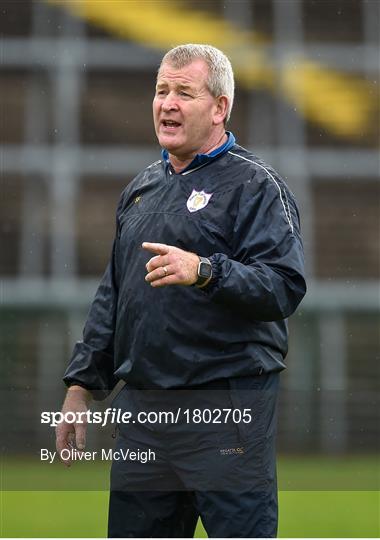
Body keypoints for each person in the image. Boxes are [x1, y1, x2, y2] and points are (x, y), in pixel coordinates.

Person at [56, 44, 306, 538]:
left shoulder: (255, 186)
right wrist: (82, 386)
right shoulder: (140, 189)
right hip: (144, 414)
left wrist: (207, 271)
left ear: (219, 108)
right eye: (161, 90)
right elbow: (114, 296)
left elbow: (283, 285)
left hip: (226, 411)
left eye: (184, 93)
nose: (167, 103)